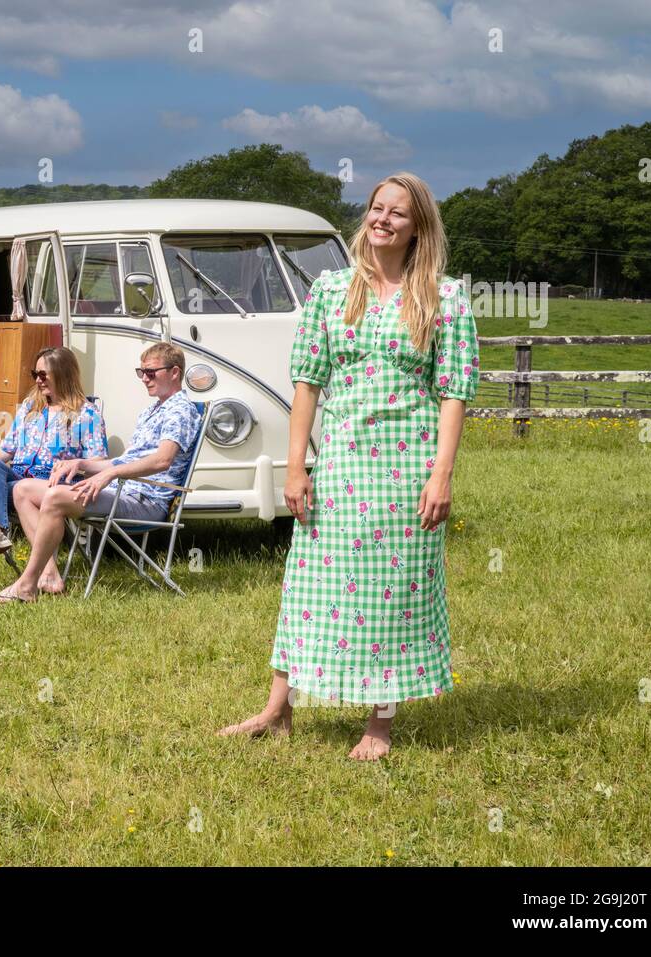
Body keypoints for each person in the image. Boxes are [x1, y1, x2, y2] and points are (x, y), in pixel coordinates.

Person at [217, 171, 480, 761]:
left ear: (419, 229)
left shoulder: (444, 297)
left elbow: (454, 391)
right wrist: (295, 467)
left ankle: (380, 722)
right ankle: (275, 712)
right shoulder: (333, 291)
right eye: (376, 208)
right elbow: (307, 383)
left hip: (407, 469)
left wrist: (442, 475)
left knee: (393, 593)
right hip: (338, 467)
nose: (382, 219)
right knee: (310, 585)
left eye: (398, 213)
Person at [0, 342, 201, 604]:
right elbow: (122, 460)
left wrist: (110, 474)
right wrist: (81, 464)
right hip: (124, 490)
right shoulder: (152, 410)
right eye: (141, 372)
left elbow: (162, 460)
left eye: (151, 372)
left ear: (175, 372)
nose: (144, 378)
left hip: (144, 499)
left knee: (54, 497)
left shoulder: (180, 410)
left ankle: (26, 585)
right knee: (23, 489)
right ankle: (49, 575)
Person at [0, 346, 107, 599]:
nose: (37, 380)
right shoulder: (30, 408)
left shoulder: (86, 414)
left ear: (62, 373)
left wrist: (76, 465)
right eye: (34, 374)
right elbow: (6, 450)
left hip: (51, 483)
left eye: (43, 374)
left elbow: (98, 460)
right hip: (17, 476)